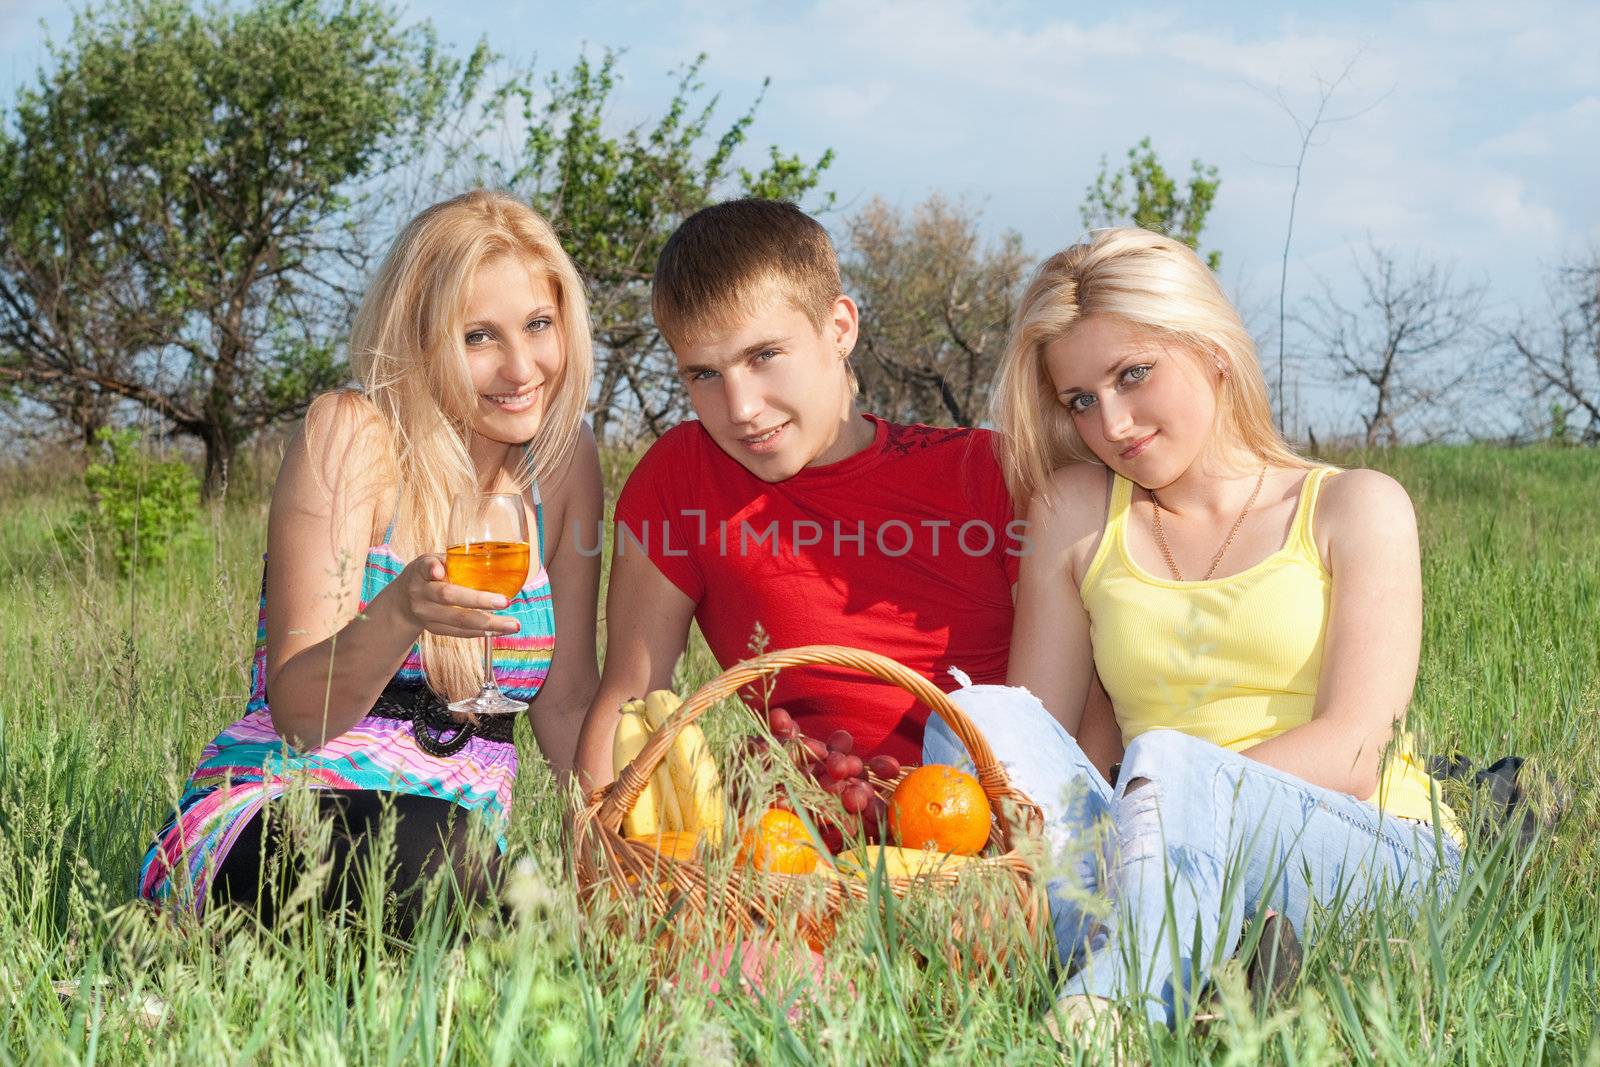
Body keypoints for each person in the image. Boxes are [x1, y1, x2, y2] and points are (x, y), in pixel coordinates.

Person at [924, 227, 1463, 1030]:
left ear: (1209, 345)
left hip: (1361, 847)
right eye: (1081, 399)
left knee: (1171, 760)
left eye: (1133, 374)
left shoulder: (1356, 505)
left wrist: (1170, 798)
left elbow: (1354, 751)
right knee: (980, 719)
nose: (1113, 421)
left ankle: (1120, 1006)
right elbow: (1044, 740)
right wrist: (1141, 823)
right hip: (1150, 845)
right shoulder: (1075, 511)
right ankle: (1211, 961)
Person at [137, 191, 602, 932]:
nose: (521, 368)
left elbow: (570, 702)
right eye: (478, 336)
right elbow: (296, 713)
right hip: (286, 803)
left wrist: (622, 845)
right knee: (435, 858)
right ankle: (190, 928)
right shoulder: (352, 436)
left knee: (543, 919)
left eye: (538, 325)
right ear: (417, 338)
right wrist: (400, 613)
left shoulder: (564, 461)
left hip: (462, 838)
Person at [571, 198, 1115, 794]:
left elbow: (1087, 708)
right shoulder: (683, 477)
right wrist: (597, 858)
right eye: (704, 374)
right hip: (800, 850)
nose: (741, 409)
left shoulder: (987, 470)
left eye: (764, 356)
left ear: (840, 328)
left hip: (993, 827)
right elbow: (629, 696)